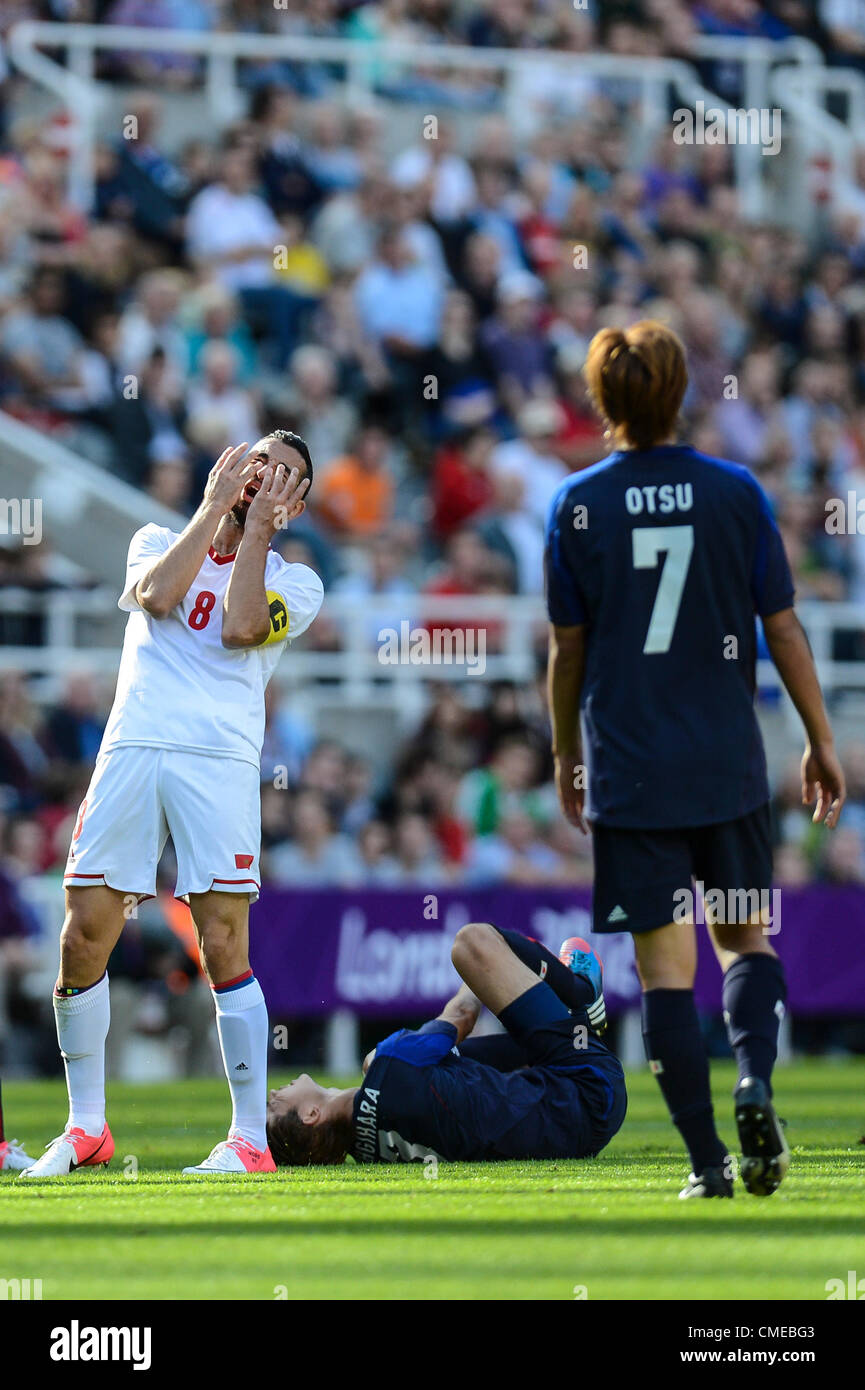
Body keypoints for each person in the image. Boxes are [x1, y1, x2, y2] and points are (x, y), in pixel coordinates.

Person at [545, 320, 846, 1199]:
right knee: (746, 937)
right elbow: (781, 626)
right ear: (679, 392)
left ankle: (708, 1163)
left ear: (602, 400)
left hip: (631, 770)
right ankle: (754, 1079)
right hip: (727, 764)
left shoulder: (578, 504)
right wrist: (819, 740)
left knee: (663, 973)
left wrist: (567, 750)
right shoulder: (734, 492)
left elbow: (568, 649)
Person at [20, 433, 324, 1180]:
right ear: (231, 467)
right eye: (260, 464)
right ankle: (86, 1127)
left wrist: (252, 534)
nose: (268, 479)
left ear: (298, 503)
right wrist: (216, 509)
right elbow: (157, 596)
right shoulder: (157, 538)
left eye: (287, 476)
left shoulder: (299, 582)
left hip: (217, 759)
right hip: (132, 748)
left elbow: (241, 627)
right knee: (82, 933)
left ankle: (249, 1140)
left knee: (222, 941)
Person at [266, 924, 624, 1166]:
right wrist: (491, 975)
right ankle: (580, 994)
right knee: (472, 942)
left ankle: (578, 1032)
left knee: (451, 1073)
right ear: (311, 1116)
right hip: (590, 1089)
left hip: (579, 1136)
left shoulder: (372, 1154)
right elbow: (464, 1014)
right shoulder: (388, 1066)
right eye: (273, 1109)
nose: (270, 1096)